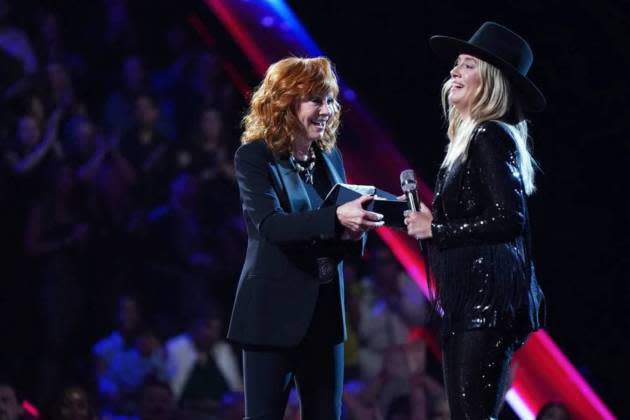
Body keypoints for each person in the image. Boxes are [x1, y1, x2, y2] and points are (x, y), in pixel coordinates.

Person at [227, 56, 384, 420]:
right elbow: (271, 225)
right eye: (316, 99)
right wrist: (335, 218)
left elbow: (337, 229)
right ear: (285, 102)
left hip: (325, 316)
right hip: (270, 314)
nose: (327, 109)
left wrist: (357, 226)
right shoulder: (255, 157)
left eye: (330, 99)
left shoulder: (330, 156)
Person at [404, 22, 545, 419]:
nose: (454, 71)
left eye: (467, 65)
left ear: (492, 82)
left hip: (486, 302)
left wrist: (438, 229)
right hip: (473, 300)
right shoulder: (475, 138)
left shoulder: (488, 136)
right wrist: (433, 220)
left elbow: (509, 218)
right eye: (456, 64)